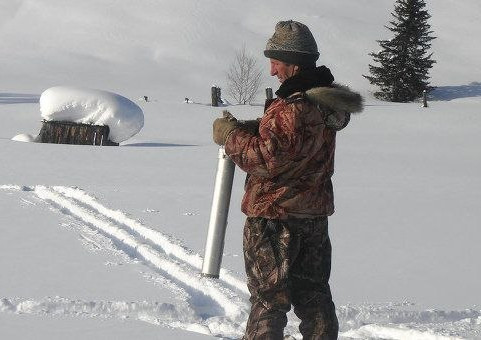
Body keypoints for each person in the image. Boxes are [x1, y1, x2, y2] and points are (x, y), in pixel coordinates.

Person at [213, 20, 363, 339]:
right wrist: (255, 127)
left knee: (269, 302)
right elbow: (296, 141)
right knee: (314, 298)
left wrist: (230, 137)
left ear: (293, 64)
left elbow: (266, 160)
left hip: (273, 217)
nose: (272, 71)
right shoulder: (324, 102)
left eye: (276, 63)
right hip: (313, 217)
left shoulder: (291, 107)